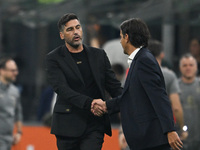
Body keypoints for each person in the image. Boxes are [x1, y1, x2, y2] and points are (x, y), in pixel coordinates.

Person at [92, 18, 183, 150]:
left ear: (127, 37)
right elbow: (130, 97)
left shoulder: (144, 60)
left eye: (121, 37)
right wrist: (106, 105)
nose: (120, 41)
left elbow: (159, 96)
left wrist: (170, 130)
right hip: (146, 141)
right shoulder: (139, 60)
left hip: (152, 141)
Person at [45, 13, 122, 150]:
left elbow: (113, 86)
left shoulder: (99, 55)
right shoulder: (54, 58)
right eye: (70, 29)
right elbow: (62, 89)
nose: (75, 32)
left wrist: (124, 101)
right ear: (62, 35)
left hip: (94, 124)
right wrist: (90, 103)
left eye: (78, 27)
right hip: (67, 124)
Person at [148, 39, 188, 139]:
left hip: (141, 127)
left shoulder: (135, 73)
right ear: (162, 54)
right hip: (163, 129)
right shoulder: (169, 76)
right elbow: (176, 107)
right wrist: (182, 128)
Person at [0, 57, 23, 150]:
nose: (16, 73)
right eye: (12, 70)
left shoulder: (15, 91)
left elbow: (18, 113)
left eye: (16, 70)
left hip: (8, 139)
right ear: (2, 71)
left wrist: (19, 132)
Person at [178, 54, 200, 150]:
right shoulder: (175, 87)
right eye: (185, 65)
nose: (188, 68)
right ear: (180, 68)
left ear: (196, 67)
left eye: (191, 65)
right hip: (181, 139)